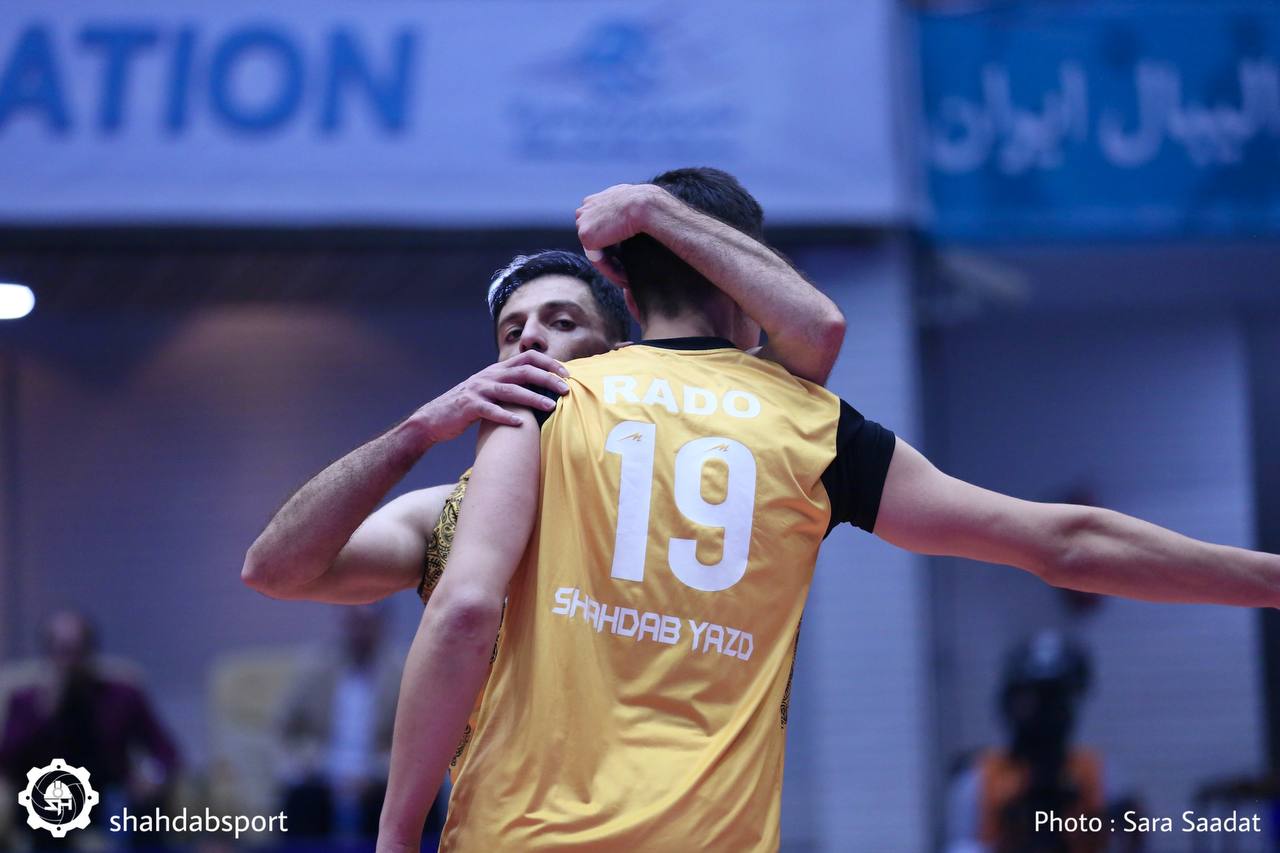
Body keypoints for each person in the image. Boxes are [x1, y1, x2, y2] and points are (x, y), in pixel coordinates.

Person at [376, 167, 1280, 852]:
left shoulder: (545, 400)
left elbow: (462, 612)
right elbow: (1066, 542)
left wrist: (395, 832)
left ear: (626, 290)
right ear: (745, 273)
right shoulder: (811, 426)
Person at [0, 610, 181, 848]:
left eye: (79, 650)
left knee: (145, 809)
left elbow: (166, 751)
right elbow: (7, 762)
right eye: (63, 650)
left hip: (110, 796)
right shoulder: (26, 701)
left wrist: (152, 776)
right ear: (48, 654)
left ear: (91, 651)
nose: (71, 661)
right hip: (52, 794)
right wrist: (43, 713)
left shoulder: (122, 696)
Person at [274, 604, 403, 841]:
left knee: (404, 800)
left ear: (381, 626)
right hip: (321, 768)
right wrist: (308, 763)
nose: (359, 632)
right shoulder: (315, 668)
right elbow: (285, 728)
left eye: (367, 624)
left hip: (378, 772)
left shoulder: (401, 671)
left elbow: (412, 739)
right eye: (354, 623)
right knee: (300, 799)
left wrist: (375, 772)